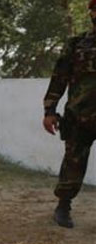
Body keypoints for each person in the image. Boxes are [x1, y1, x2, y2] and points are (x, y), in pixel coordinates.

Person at [42, 0, 96, 228]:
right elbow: (59, 78)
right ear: (91, 12)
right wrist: (50, 110)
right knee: (73, 163)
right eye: (95, 7)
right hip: (79, 116)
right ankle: (63, 206)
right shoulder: (76, 44)